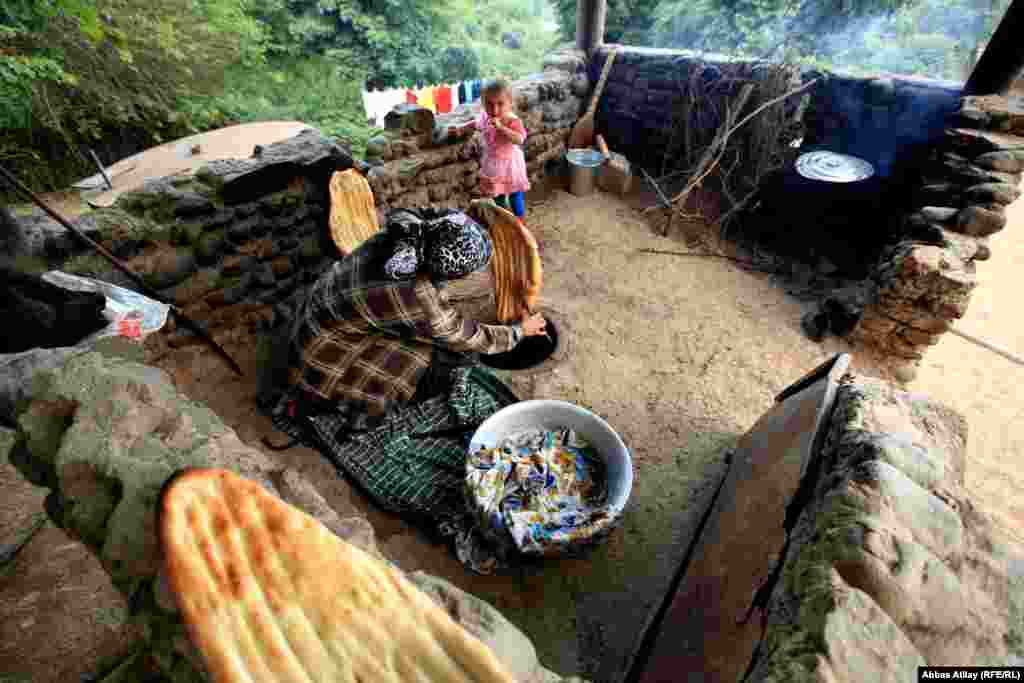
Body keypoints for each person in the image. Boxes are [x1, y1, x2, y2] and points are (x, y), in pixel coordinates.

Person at [286, 208, 546, 424]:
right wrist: (519, 331)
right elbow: (464, 336)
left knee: (419, 335)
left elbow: (429, 213)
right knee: (440, 358)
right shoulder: (417, 295)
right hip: (320, 362)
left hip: (315, 317)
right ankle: (346, 405)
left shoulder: (408, 231)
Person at [457, 79, 530, 218]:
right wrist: (461, 128)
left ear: (510, 103)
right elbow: (477, 124)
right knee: (498, 196)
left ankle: (520, 222)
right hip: (493, 164)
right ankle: (504, 220)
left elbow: (519, 139)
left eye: (500, 104)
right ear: (483, 104)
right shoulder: (485, 116)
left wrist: (502, 128)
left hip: (510, 164)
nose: (495, 110)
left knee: (515, 195)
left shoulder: (512, 120)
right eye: (489, 105)